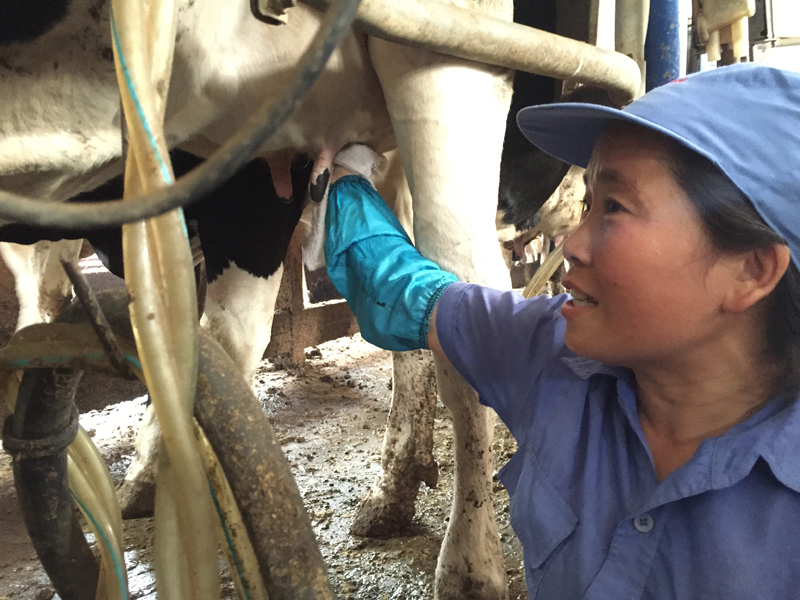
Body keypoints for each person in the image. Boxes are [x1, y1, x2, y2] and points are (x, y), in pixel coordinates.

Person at [324, 64, 800, 599]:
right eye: (588, 203)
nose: (570, 242)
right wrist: (348, 175)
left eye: (614, 208)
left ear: (751, 271)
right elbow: (408, 289)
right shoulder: (545, 350)